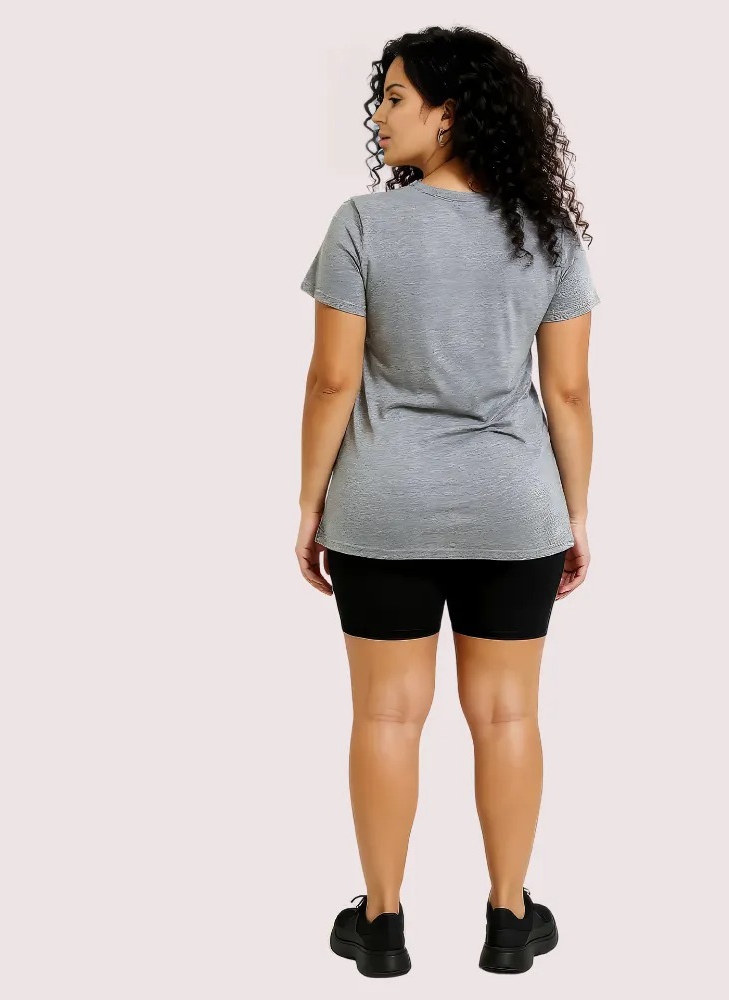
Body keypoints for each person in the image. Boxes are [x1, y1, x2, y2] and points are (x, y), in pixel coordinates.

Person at [297, 26, 599, 977]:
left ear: (450, 112)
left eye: (395, 97)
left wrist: (308, 506)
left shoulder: (362, 226)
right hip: (514, 507)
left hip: (383, 507)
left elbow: (333, 382)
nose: (379, 116)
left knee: (387, 717)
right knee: (507, 716)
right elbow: (569, 393)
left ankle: (381, 924)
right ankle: (510, 919)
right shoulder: (547, 236)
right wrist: (574, 516)